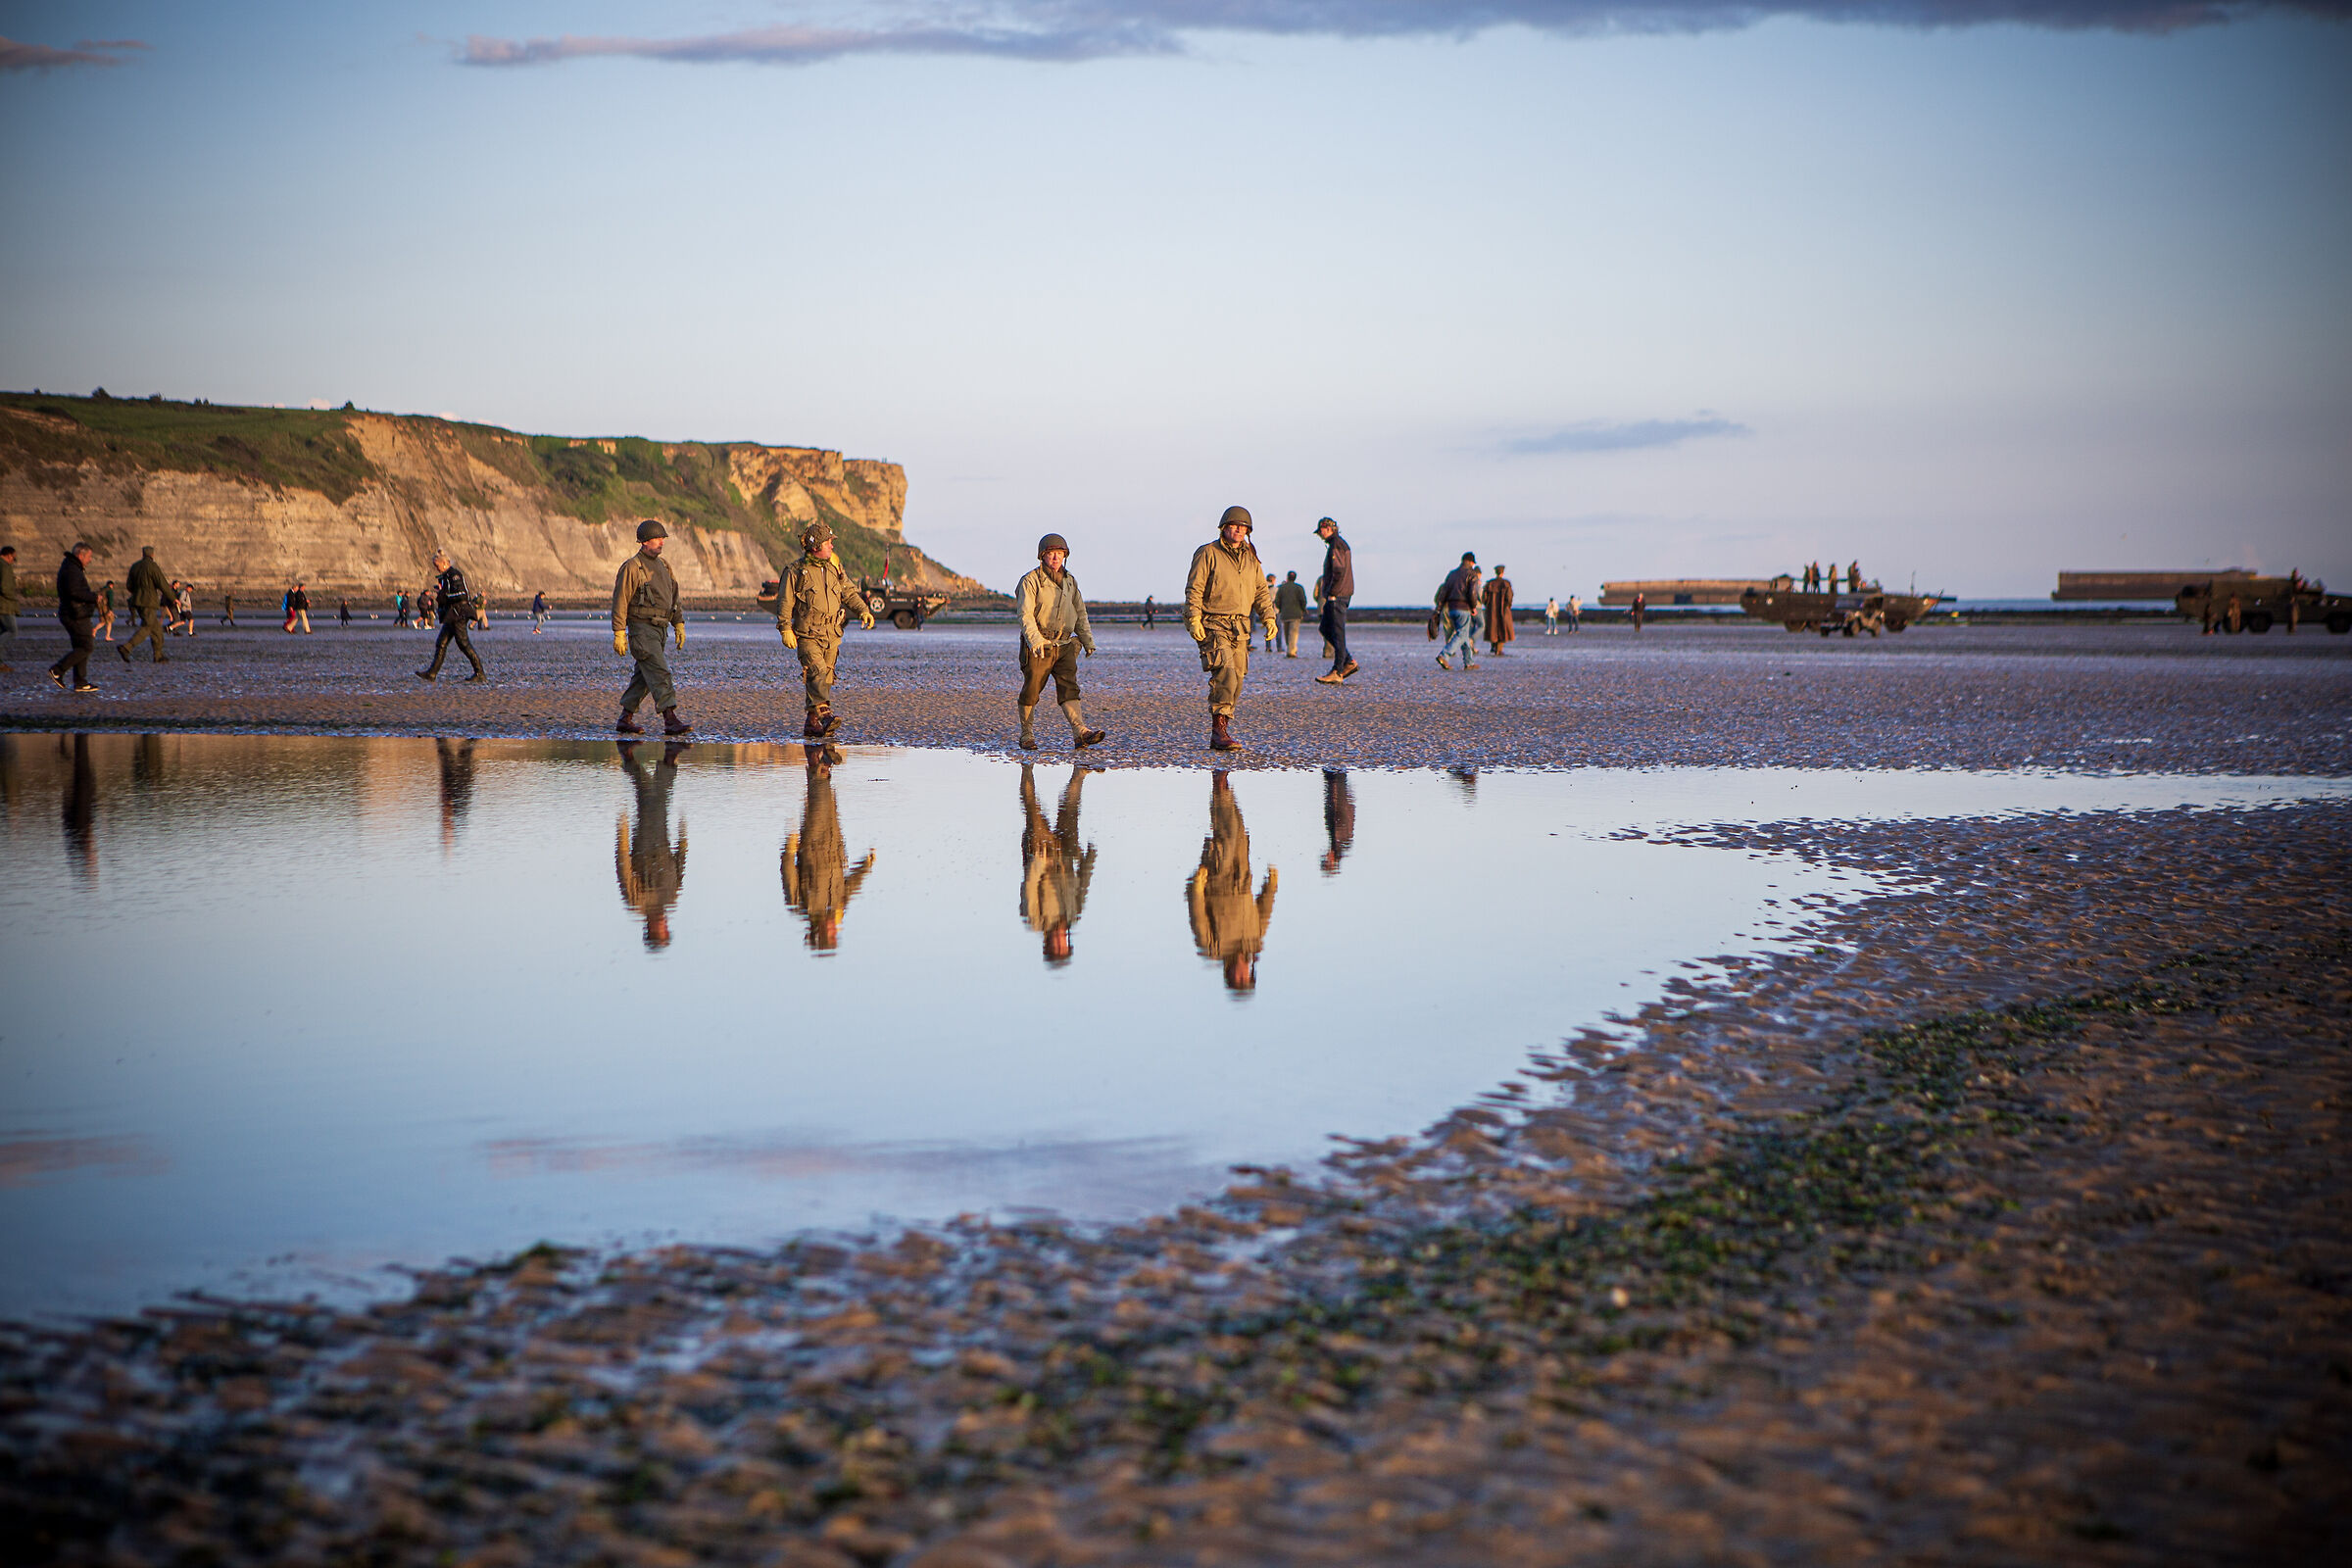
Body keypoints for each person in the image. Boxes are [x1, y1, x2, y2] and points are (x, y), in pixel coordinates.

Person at [1184, 505, 1279, 752]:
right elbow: (1194, 588)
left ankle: (1223, 726)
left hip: (1241, 626)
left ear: (1248, 530)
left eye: (1242, 527)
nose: (1238, 530)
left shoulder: (1251, 558)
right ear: (1224, 527)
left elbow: (1260, 591)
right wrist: (1194, 618)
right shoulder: (1208, 553)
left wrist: (1269, 618)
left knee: (1237, 679)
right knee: (1224, 672)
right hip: (1213, 622)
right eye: (1233, 526)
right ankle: (1219, 733)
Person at [776, 520, 871, 739]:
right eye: (829, 542)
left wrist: (863, 611)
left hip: (832, 634)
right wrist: (785, 629)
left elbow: (848, 592)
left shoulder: (834, 568)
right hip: (807, 634)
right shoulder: (795, 571)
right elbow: (784, 602)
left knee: (825, 678)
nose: (832, 546)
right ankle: (825, 715)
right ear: (816, 545)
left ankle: (811, 723)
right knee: (816, 672)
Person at [1014, 532, 1105, 752]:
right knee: (1032, 689)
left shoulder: (1071, 582)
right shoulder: (1031, 580)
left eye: (1060, 554)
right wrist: (1035, 640)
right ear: (1042, 556)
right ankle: (1026, 734)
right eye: (1052, 554)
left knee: (1069, 688)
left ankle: (1080, 732)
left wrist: (1087, 640)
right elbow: (1025, 614)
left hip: (1065, 645)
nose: (1056, 558)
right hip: (1039, 646)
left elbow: (1080, 613)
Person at [1187, 771, 1277, 992]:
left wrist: (1197, 889)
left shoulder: (1212, 949)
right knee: (1238, 828)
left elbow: (1197, 916)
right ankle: (1222, 783)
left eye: (1240, 977)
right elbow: (1263, 914)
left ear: (1230, 976)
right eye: (1246, 976)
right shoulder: (1254, 945)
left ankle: (1220, 781)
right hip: (1243, 877)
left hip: (1217, 880)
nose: (1243, 972)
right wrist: (1271, 887)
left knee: (1226, 834)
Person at [782, 747, 875, 952]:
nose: (836, 930)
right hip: (836, 844)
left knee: (819, 799)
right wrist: (865, 867)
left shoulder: (801, 906)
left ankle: (822, 758)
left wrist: (789, 848)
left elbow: (788, 872)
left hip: (812, 845)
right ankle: (821, 749)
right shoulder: (837, 910)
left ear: (820, 932)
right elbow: (849, 886)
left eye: (832, 934)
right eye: (835, 934)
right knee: (827, 799)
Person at [612, 519, 692, 735]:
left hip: (660, 630)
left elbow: (674, 598)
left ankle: (625, 718)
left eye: (663, 538)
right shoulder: (632, 567)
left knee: (644, 677)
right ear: (644, 541)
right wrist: (619, 632)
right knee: (659, 672)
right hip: (641, 630)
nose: (661, 542)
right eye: (657, 539)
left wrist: (679, 624)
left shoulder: (665, 566)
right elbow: (620, 600)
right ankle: (670, 719)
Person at [614, 738, 690, 950]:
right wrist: (683, 840)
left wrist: (622, 830)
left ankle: (640, 759)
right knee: (655, 800)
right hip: (662, 841)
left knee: (650, 800)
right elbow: (680, 869)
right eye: (665, 928)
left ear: (650, 928)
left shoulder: (637, 903)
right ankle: (658, 759)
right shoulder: (671, 900)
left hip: (645, 844)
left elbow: (624, 867)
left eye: (660, 929)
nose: (663, 922)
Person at [1018, 763, 1096, 964]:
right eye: (1064, 945)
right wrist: (1089, 860)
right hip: (1067, 857)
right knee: (1070, 811)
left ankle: (1026, 768)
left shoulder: (1034, 919)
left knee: (1032, 809)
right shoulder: (1073, 916)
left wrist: (1039, 860)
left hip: (1040, 854)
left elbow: (1029, 886)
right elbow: (1082, 887)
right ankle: (1080, 774)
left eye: (1058, 946)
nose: (1061, 940)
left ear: (1048, 943)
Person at [416, 551, 487, 682]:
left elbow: (462, 594)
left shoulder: (454, 575)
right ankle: (432, 673)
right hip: (452, 614)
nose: (436, 568)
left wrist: (443, 596)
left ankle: (480, 673)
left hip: (459, 613)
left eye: (437, 565)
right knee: (441, 643)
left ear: (445, 563)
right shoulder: (445, 577)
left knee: (463, 643)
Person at [49, 542, 100, 692]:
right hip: (74, 614)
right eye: (89, 557)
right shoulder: (72, 569)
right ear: (81, 555)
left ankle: (80, 682)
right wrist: (94, 597)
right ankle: (58, 670)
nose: (90, 560)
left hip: (73, 613)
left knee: (80, 647)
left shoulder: (71, 567)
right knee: (86, 646)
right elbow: (74, 592)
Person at [1312, 515, 1357, 684]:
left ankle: (1338, 671)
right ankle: (1348, 661)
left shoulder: (1337, 545)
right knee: (1325, 628)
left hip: (1337, 595)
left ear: (1328, 529)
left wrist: (1331, 591)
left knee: (1338, 632)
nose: (1320, 535)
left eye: (1321, 531)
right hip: (1338, 594)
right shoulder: (1336, 544)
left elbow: (1338, 571)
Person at [123, 546, 172, 664]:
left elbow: (129, 585)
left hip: (137, 601)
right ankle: (127, 647)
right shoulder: (152, 567)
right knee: (148, 627)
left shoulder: (135, 566)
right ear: (152, 555)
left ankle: (158, 656)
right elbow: (162, 584)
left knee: (157, 631)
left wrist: (138, 592)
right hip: (149, 602)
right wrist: (173, 598)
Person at [1435, 552, 1482, 670]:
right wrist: (1473, 607)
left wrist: (1439, 608)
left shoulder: (1452, 574)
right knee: (1461, 634)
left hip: (1451, 608)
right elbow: (1472, 593)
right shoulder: (1472, 574)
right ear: (1471, 562)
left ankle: (1469, 662)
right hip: (1463, 607)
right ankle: (1444, 655)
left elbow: (1444, 591)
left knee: (1463, 635)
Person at [1320, 768, 1354, 875]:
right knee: (1337, 784)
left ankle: (1333, 772)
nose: (1326, 856)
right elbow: (1345, 820)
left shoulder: (1339, 845)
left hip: (1338, 805)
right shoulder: (1343, 845)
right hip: (1340, 805)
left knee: (1334, 784)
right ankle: (1334, 772)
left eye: (1325, 859)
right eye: (1327, 860)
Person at [1273, 570, 1308, 658]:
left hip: (1285, 613)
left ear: (1287, 577)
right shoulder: (1299, 588)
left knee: (1286, 632)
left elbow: (1277, 601)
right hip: (1296, 613)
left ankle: (1290, 647)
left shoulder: (1282, 588)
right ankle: (1291, 651)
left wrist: (1281, 608)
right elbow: (1303, 600)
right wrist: (1303, 609)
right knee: (1293, 633)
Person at [1483, 564, 1516, 655]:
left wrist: (1487, 605)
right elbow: (1509, 597)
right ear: (1502, 572)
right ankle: (1499, 649)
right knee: (1503, 628)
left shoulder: (1489, 583)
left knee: (1492, 628)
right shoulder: (1506, 583)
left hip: (1491, 610)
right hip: (1503, 609)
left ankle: (1494, 646)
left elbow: (1484, 598)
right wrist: (1508, 606)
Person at [0, 544, 19, 669]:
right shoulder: (5, 567)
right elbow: (5, 588)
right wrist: (14, 598)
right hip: (5, 605)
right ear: (8, 555)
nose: (14, 561)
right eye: (14, 558)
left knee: (3, 631)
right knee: (12, 631)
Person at [1263, 574, 1281, 651]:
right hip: (1275, 611)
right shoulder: (1275, 589)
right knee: (1278, 628)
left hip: (1266, 611)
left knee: (1268, 629)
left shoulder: (1263, 588)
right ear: (1273, 580)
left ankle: (1268, 647)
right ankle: (1279, 647)